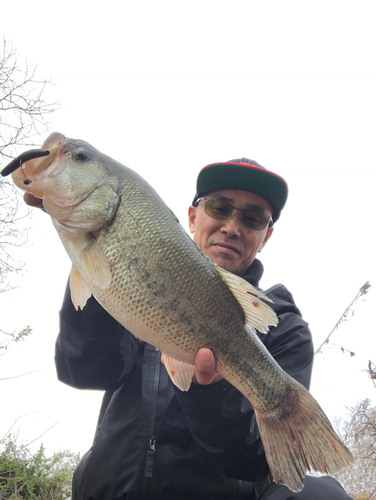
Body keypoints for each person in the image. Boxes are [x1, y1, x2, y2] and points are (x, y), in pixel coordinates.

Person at [25, 158, 352, 500]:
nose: (232, 226)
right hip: (108, 492)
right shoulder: (137, 283)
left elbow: (257, 464)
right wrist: (92, 259)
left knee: (320, 493)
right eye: (220, 208)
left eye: (252, 218)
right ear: (193, 216)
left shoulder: (285, 328)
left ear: (266, 236)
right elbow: (83, 371)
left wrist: (207, 393)